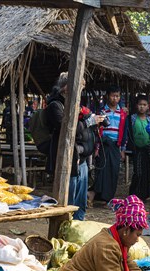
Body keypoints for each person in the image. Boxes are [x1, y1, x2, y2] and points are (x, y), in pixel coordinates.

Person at [46, 72, 104, 220]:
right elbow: (65, 129)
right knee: (68, 198)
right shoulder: (55, 105)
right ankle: (65, 225)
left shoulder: (75, 105)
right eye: (78, 88)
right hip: (67, 158)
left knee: (80, 199)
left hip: (81, 157)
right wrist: (89, 122)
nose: (80, 92)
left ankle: (79, 223)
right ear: (66, 88)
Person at [88, 85, 128, 204]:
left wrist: (123, 149)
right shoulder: (102, 112)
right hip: (103, 145)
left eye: (117, 96)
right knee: (101, 170)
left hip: (116, 146)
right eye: (112, 96)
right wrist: (96, 148)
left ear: (120, 97)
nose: (115, 98)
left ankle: (107, 198)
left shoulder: (122, 113)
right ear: (107, 96)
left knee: (114, 171)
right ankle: (94, 194)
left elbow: (125, 132)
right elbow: (97, 130)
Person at [126, 95, 150, 201]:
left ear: (148, 107)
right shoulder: (132, 119)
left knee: (148, 172)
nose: (142, 107)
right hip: (137, 150)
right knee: (138, 172)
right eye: (140, 104)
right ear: (136, 106)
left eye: (144, 105)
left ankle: (144, 195)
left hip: (148, 150)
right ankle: (134, 195)